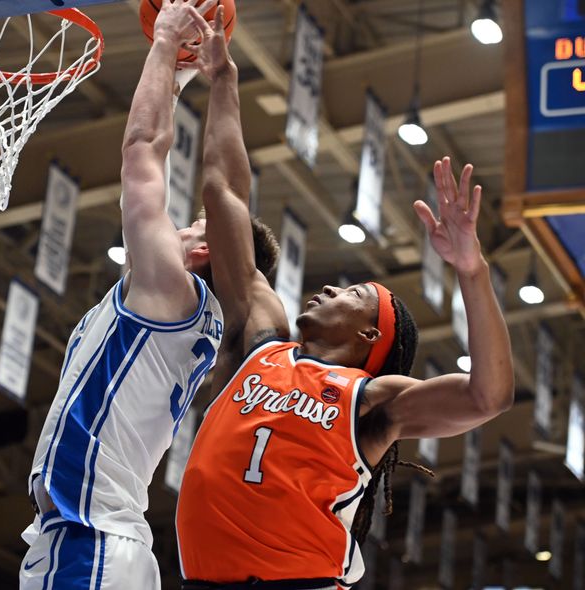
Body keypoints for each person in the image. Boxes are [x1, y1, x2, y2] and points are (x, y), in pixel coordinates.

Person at [175, 10, 515, 589]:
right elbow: (224, 192)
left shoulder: (372, 401)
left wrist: (472, 269)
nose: (329, 287)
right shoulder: (260, 341)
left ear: (369, 337)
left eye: (351, 293)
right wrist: (226, 80)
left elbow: (489, 396)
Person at [19, 1, 280, 589]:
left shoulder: (171, 292)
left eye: (187, 225)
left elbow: (142, 153)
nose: (176, 226)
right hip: (107, 539)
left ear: (204, 251)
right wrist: (189, 77)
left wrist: (165, 44)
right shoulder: (191, 314)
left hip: (93, 538)